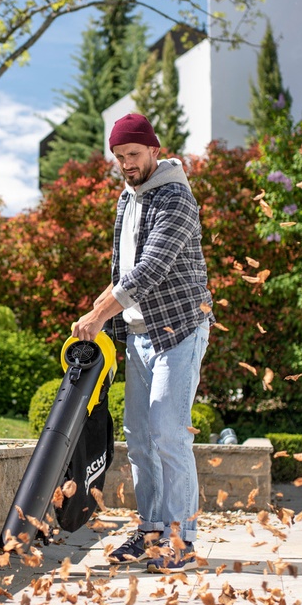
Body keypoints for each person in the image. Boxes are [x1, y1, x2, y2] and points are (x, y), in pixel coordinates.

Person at [71, 112, 213, 573]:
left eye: (132, 154)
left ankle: (181, 540)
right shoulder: (125, 200)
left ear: (154, 149)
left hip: (179, 329)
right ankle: (151, 530)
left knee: (168, 432)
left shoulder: (175, 198)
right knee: (139, 437)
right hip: (138, 334)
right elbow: (122, 269)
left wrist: (97, 312)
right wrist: (107, 312)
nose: (126, 164)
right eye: (118, 157)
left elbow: (150, 269)